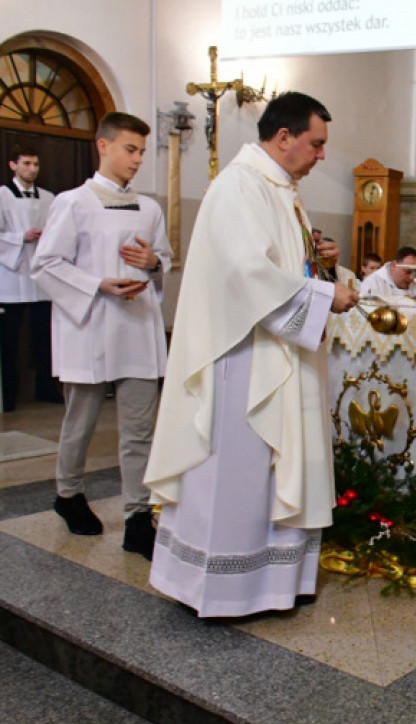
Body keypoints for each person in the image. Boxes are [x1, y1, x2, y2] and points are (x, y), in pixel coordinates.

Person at [143, 92, 359, 618]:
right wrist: (328, 296)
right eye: (317, 143)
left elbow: (284, 265)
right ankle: (222, 587)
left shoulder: (284, 190)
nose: (322, 156)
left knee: (269, 471)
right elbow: (246, 274)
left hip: (281, 353)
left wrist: (321, 263)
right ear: (283, 138)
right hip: (243, 359)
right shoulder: (240, 186)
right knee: (237, 476)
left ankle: (274, 583)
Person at [30, 112, 172, 557]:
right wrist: (99, 285)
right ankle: (68, 493)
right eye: (130, 149)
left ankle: (137, 517)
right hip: (90, 325)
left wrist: (153, 265)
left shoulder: (149, 208)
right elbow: (47, 264)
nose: (137, 160)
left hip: (136, 326)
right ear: (103, 146)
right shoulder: (74, 202)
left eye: (142, 152)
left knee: (139, 429)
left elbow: (164, 259)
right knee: (82, 421)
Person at [0, 145, 60, 411]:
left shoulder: (49, 198)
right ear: (13, 165)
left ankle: (46, 389)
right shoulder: (2, 196)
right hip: (10, 276)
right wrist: (18, 237)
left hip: (40, 277)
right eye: (26, 164)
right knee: (8, 340)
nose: (32, 169)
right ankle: (7, 395)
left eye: (35, 164)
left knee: (44, 338)